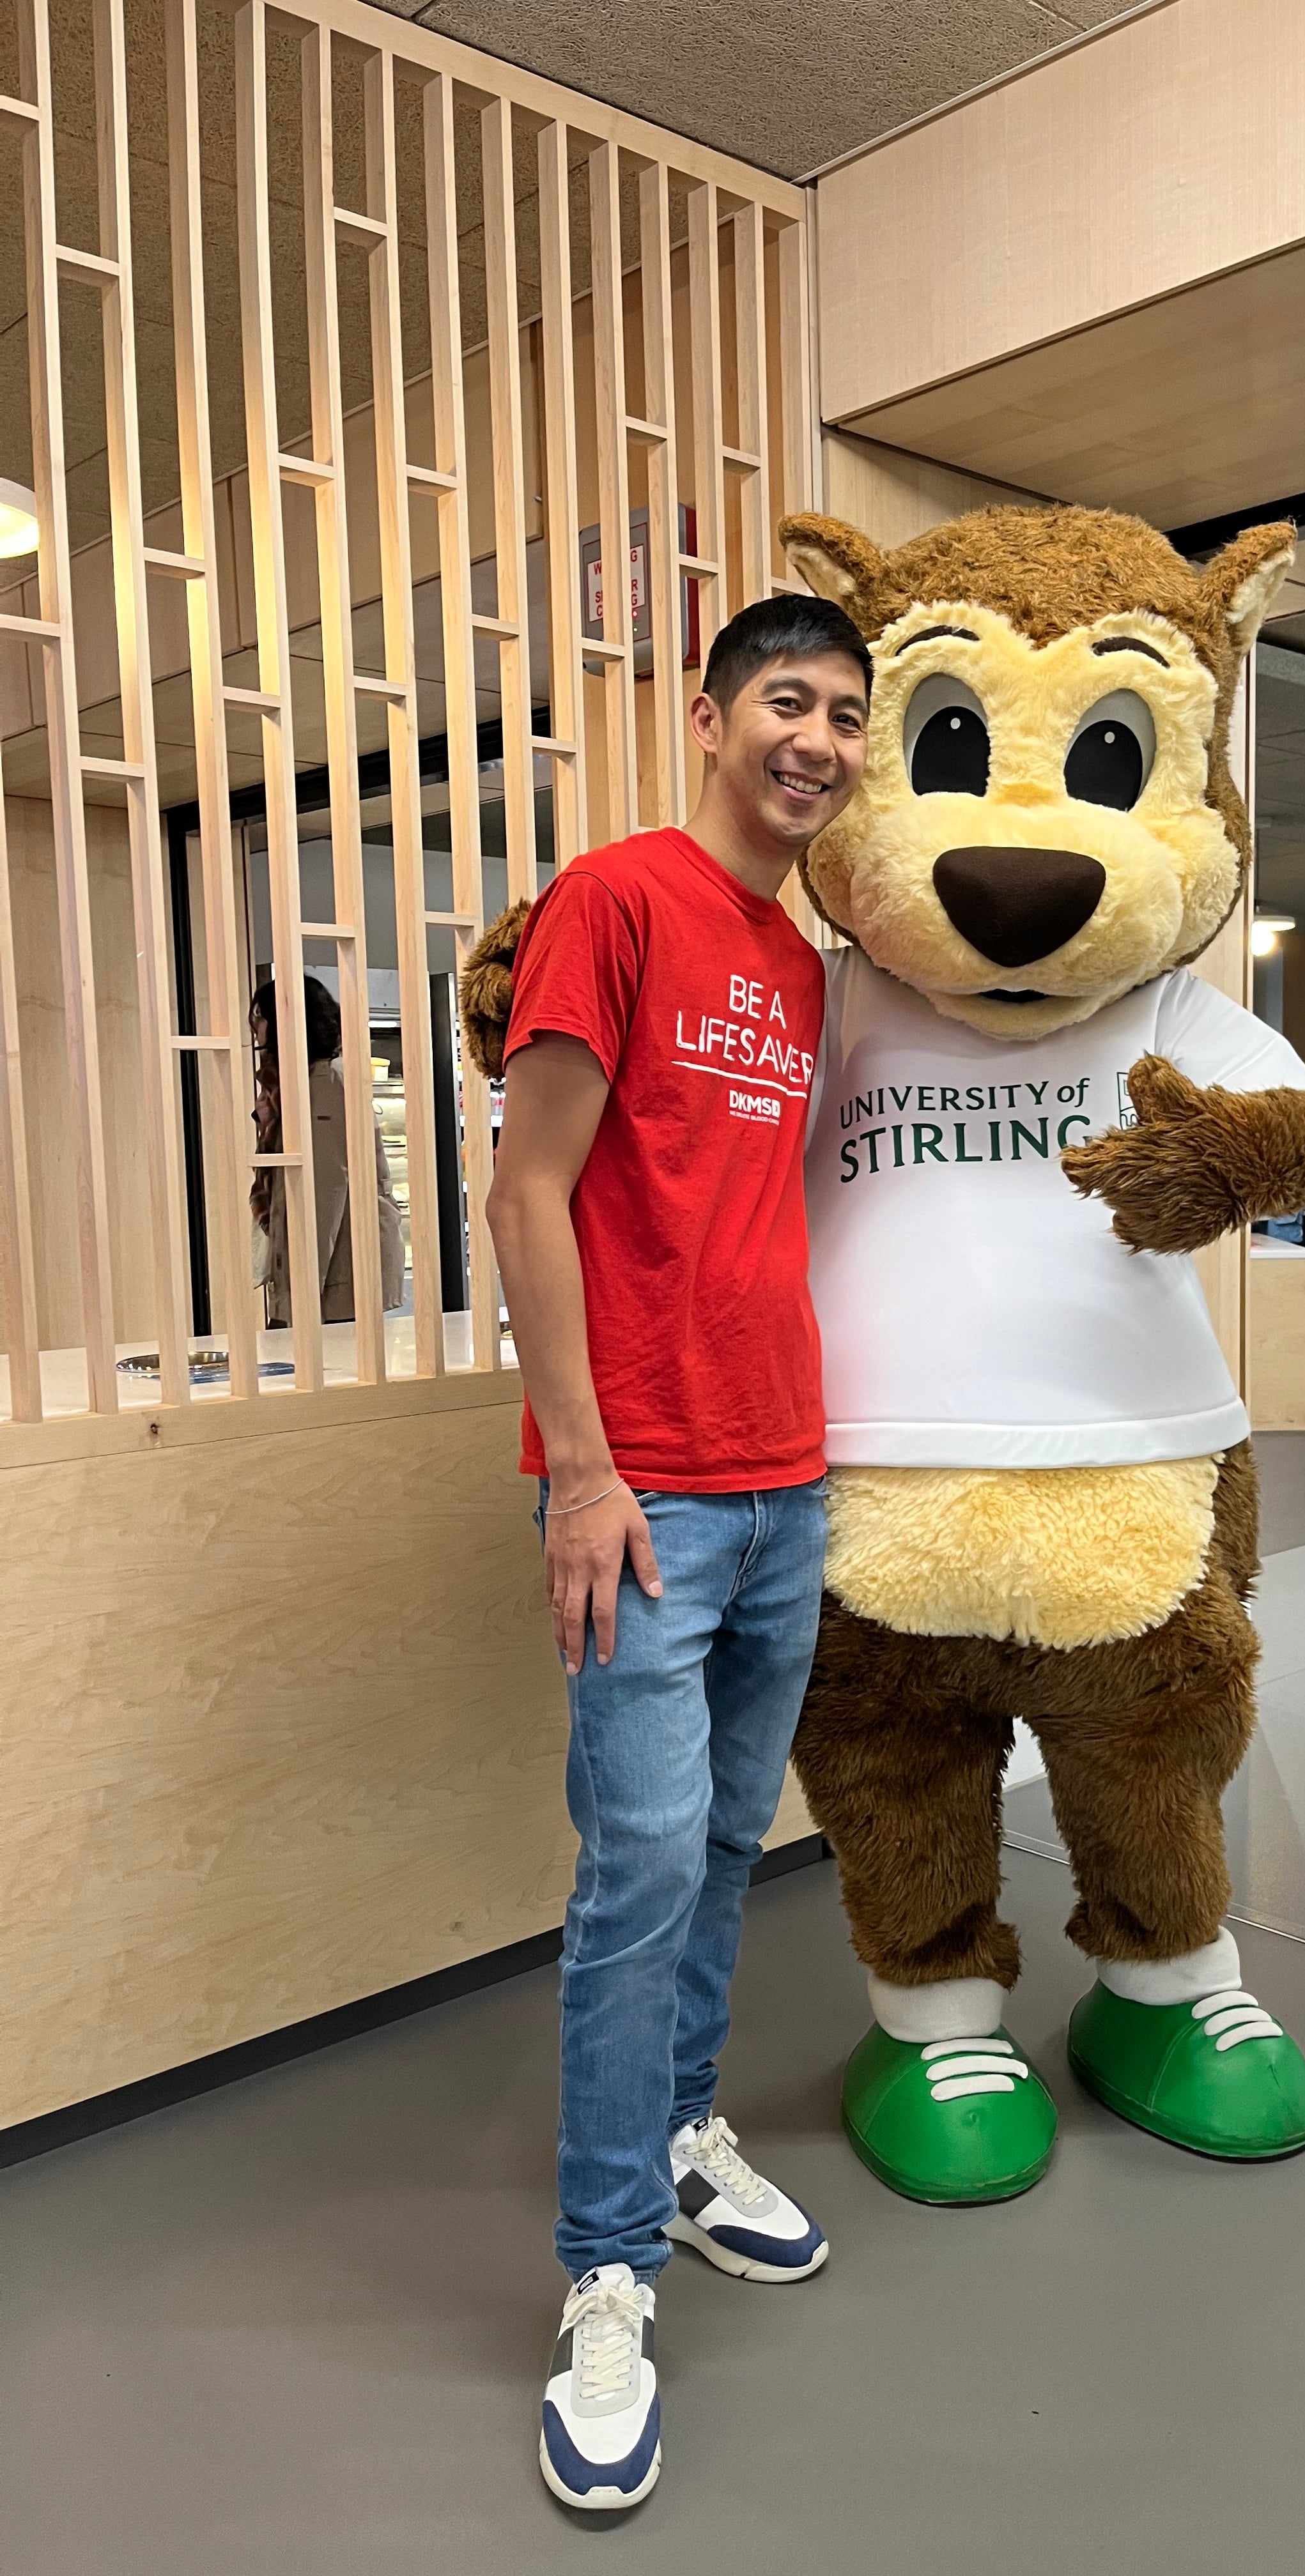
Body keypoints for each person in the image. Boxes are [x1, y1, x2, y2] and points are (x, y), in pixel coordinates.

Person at [484, 594, 871, 2513]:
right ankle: (607, 2269)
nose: (820, 740)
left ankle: (686, 2135)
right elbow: (526, 1188)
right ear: (710, 718)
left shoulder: (800, 965)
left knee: (726, 1846)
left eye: (849, 716)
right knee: (636, 1870)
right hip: (642, 1495)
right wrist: (580, 1470)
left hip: (785, 1476)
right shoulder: (616, 900)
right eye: (789, 702)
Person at [249, 972, 404, 1327]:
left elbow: (324, 1190)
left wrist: (300, 1299)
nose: (256, 1029)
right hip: (336, 1271)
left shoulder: (323, 1085)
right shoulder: (300, 1084)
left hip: (339, 1277)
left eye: (261, 1016)